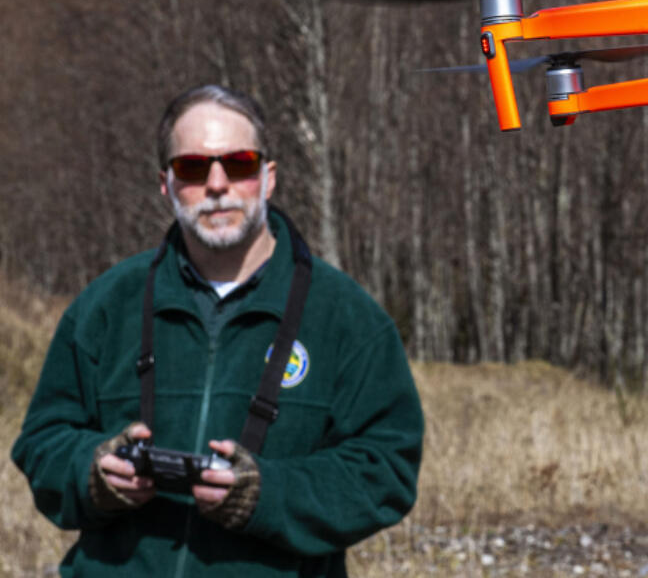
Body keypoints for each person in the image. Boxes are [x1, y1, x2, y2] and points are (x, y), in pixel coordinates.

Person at [11, 85, 425, 577]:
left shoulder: (346, 317)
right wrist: (91, 472)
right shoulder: (106, 305)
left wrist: (269, 496)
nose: (216, 184)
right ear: (165, 184)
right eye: (191, 167)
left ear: (268, 178)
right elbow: (42, 440)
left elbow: (386, 468)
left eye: (240, 163)